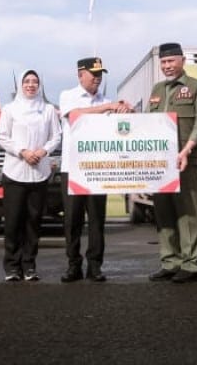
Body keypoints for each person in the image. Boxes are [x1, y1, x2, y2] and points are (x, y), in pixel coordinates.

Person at [58, 56, 131, 282]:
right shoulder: (68, 96)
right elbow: (75, 117)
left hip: (98, 169)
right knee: (73, 220)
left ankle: (95, 266)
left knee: (97, 220)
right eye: (93, 74)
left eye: (100, 74)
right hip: (72, 169)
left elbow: (120, 129)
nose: (97, 78)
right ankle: (73, 264)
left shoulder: (107, 100)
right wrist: (108, 107)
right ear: (81, 74)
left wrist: (125, 112)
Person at [145, 42, 197, 283]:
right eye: (163, 62)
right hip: (161, 164)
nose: (167, 66)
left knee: (188, 213)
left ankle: (191, 265)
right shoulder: (157, 89)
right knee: (163, 212)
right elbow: (149, 125)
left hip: (187, 161)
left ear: (183, 61)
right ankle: (170, 261)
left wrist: (187, 149)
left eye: (171, 61)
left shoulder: (196, 88)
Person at [0, 69, 62, 281]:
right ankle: (12, 266)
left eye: (35, 81)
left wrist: (43, 151)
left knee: (33, 221)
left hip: (39, 173)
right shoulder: (10, 109)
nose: (31, 85)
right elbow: (2, 137)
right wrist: (22, 152)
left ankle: (29, 265)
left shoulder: (48, 109)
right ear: (20, 85)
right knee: (13, 221)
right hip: (15, 172)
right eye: (27, 81)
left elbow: (56, 136)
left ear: (40, 85)